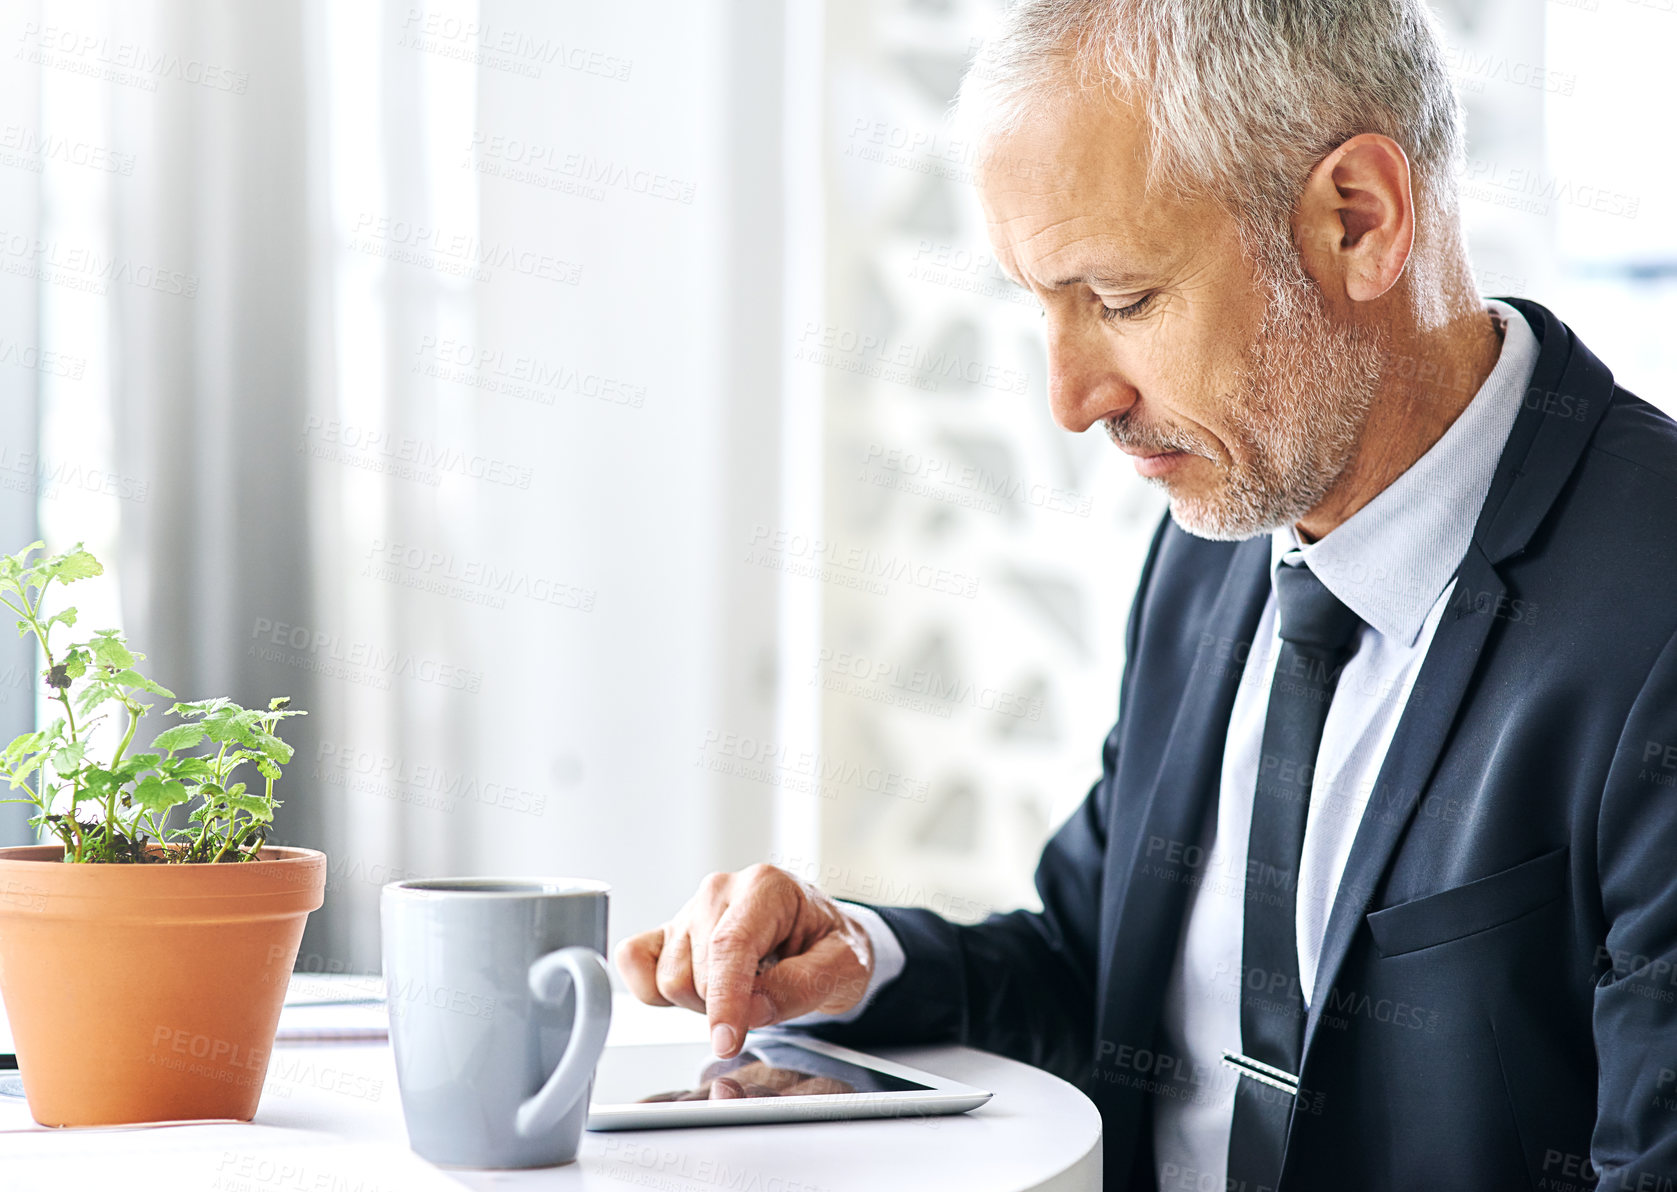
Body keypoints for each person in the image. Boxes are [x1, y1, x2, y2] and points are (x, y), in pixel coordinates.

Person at [618, 2, 1677, 1188]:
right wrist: (857, 956)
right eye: (1040, 303)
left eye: (1120, 301)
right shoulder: (1220, 530)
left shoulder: (1654, 611)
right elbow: (1110, 980)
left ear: (1359, 221)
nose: (1071, 399)